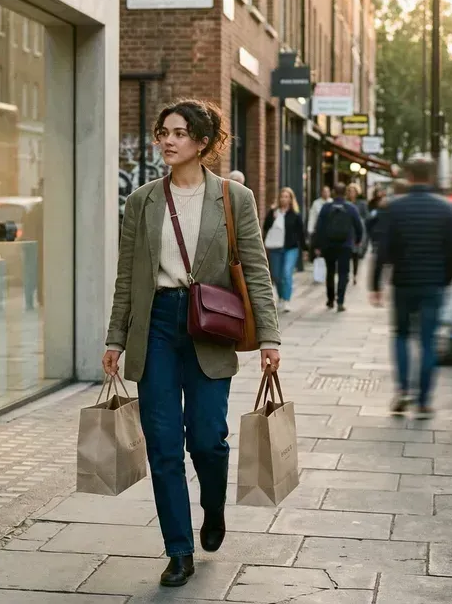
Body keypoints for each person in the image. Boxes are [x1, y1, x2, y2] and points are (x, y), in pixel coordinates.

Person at [102, 99, 281, 588]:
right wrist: (115, 338)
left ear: (202, 143)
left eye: (178, 133)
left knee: (207, 439)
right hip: (156, 325)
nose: (167, 140)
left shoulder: (232, 199)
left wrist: (268, 335)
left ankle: (214, 505)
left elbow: (257, 271)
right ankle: (178, 549)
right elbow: (128, 278)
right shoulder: (141, 200)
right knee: (162, 445)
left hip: (210, 325)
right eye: (163, 132)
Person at [369, 158, 452, 420]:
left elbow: (382, 249)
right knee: (428, 340)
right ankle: (423, 401)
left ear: (408, 176)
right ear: (431, 176)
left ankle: (402, 390)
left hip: (403, 283)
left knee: (400, 335)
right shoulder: (445, 209)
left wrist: (375, 284)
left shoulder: (394, 208)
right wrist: (446, 278)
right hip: (433, 284)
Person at [311, 182, 364, 312]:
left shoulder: (326, 207)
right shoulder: (351, 208)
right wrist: (357, 240)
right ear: (345, 192)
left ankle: (330, 300)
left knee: (330, 272)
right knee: (343, 273)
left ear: (333, 192)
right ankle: (340, 301)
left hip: (329, 245)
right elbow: (359, 226)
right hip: (345, 245)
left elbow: (319, 228)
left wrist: (317, 245)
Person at [263, 187, 305, 313]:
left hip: (291, 248)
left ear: (291, 199)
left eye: (287, 197)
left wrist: (306, 249)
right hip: (276, 248)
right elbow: (265, 227)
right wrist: (272, 215)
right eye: (282, 196)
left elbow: (300, 233)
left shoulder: (295, 215)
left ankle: (286, 300)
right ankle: (281, 297)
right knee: (276, 275)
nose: (284, 199)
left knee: (287, 274)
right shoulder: (273, 212)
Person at [346, 183, 370, 286]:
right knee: (346, 254)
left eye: (353, 191)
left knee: (355, 254)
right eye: (349, 191)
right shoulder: (346, 203)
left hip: (357, 231)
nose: (351, 193)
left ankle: (354, 275)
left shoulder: (362, 204)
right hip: (347, 232)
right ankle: (346, 274)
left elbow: (367, 217)